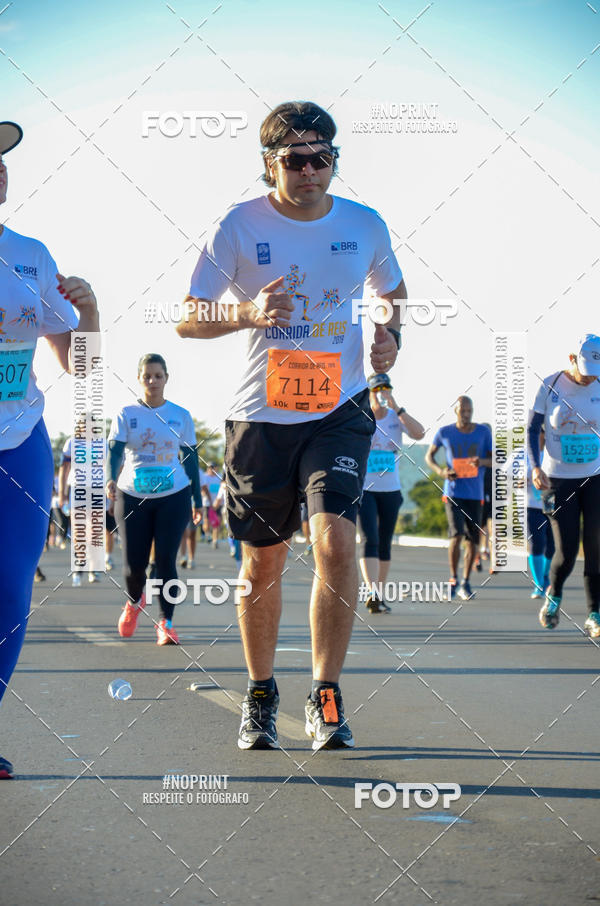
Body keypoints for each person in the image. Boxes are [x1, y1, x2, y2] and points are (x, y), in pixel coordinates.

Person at [177, 100, 405, 750]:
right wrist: (247, 313)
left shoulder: (364, 224)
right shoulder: (239, 226)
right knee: (263, 565)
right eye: (296, 159)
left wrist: (390, 337)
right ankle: (260, 691)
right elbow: (189, 317)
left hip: (341, 409)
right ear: (269, 165)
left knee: (336, 545)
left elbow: (393, 296)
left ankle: (325, 691)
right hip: (260, 416)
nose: (311, 171)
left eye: (322, 158)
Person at [0, 120, 99, 778]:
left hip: (19, 443)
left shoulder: (31, 254)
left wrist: (88, 314)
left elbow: (81, 365)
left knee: (9, 594)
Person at [107, 354, 202, 645]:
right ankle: (134, 602)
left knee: (165, 560)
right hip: (132, 495)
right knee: (134, 566)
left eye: (158, 376)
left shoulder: (180, 415)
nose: (152, 381)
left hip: (173, 495)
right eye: (147, 376)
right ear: (139, 379)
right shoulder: (126, 414)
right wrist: (110, 477)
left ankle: (166, 622)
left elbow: (190, 459)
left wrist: (197, 499)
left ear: (166, 378)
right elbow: (114, 452)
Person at [529, 335, 600, 637]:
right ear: (572, 359)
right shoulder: (550, 385)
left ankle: (594, 613)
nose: (590, 378)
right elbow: (532, 429)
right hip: (557, 479)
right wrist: (534, 466)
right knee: (567, 550)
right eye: (586, 370)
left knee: (595, 545)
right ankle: (554, 594)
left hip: (595, 475)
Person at [359, 372, 425, 613]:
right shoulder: (361, 417)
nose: (382, 394)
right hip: (365, 488)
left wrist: (397, 408)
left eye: (385, 389)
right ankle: (371, 591)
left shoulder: (396, 419)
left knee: (384, 541)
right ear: (369, 393)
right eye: (377, 390)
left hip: (391, 489)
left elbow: (419, 433)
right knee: (370, 539)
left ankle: (378, 594)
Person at [425, 397, 492, 601]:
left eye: (469, 410)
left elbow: (496, 459)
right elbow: (429, 456)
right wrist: (441, 471)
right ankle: (453, 578)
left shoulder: (483, 432)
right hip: (453, 492)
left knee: (473, 539)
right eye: (463, 410)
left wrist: (481, 461)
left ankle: (465, 581)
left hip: (475, 493)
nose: (466, 413)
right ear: (456, 411)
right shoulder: (445, 432)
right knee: (456, 535)